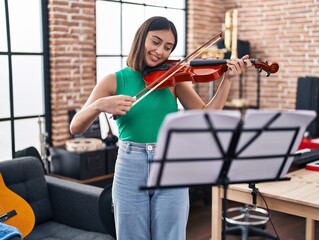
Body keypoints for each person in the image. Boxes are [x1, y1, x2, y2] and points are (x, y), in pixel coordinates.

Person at [70, 16, 250, 240]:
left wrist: (228, 80)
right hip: (130, 166)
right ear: (141, 38)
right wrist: (100, 105)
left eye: (168, 47)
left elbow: (207, 115)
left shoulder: (174, 79)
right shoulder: (113, 81)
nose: (160, 52)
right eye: (155, 42)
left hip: (170, 164)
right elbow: (76, 126)